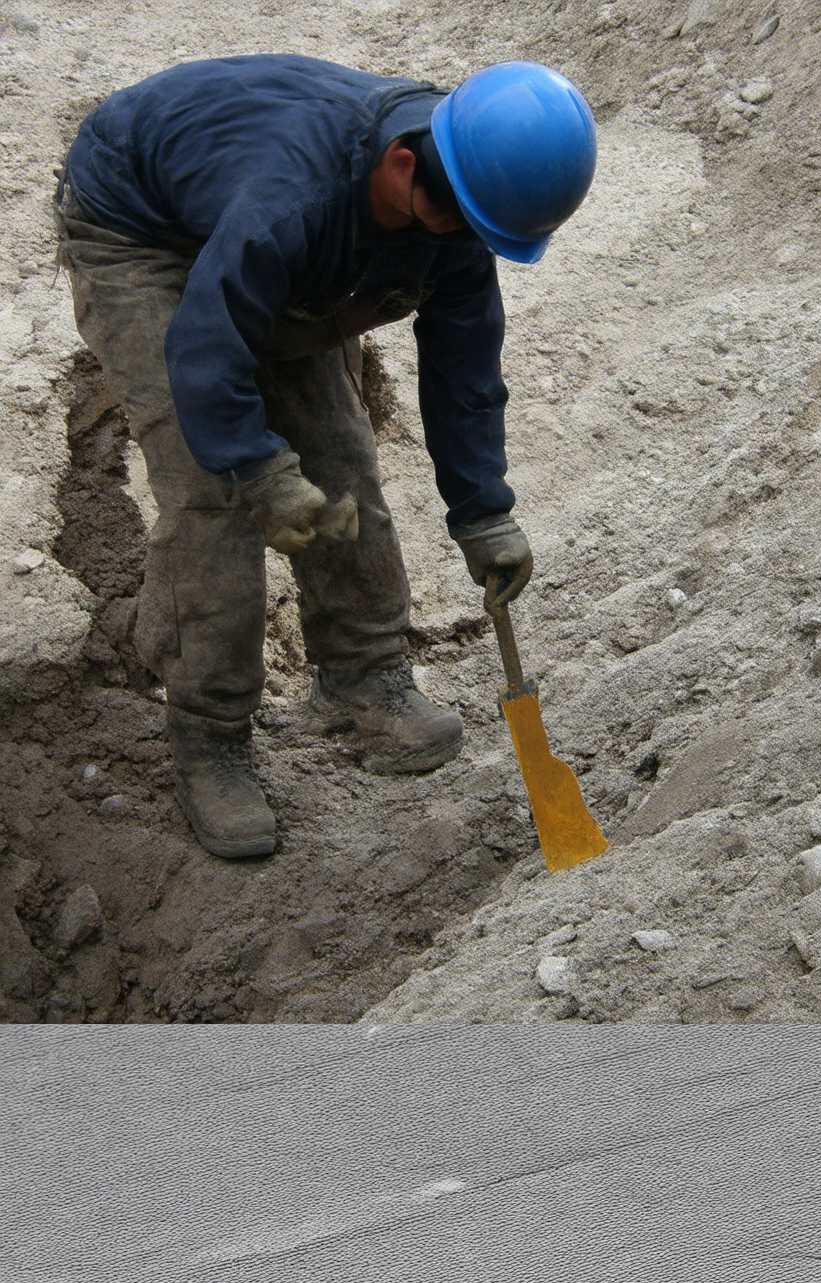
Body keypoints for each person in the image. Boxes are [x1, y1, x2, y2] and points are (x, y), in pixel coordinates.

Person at [54, 55, 598, 858]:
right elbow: (208, 342)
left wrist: (485, 510)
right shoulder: (293, 200)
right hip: (141, 228)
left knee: (341, 460)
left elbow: (464, 373)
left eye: (475, 233)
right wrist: (257, 466)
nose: (456, 242)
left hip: (275, 245)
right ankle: (209, 734)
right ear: (403, 161)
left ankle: (363, 678)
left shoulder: (458, 205)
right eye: (449, 221)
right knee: (215, 491)